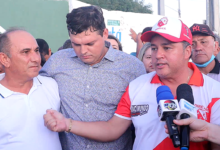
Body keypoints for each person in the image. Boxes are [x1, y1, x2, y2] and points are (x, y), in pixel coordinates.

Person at [44, 17, 220, 150]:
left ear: (187, 51)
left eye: (167, 47)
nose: (158, 55)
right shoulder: (137, 85)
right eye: (153, 47)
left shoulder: (214, 91)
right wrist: (67, 124)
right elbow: (112, 129)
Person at [40, 6, 145, 150]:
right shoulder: (57, 61)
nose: (83, 51)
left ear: (105, 34)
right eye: (76, 44)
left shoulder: (132, 67)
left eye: (90, 43)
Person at [0, 28, 61, 150]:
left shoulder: (52, 85)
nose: (36, 58)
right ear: (4, 59)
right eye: (25, 52)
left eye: (36, 50)